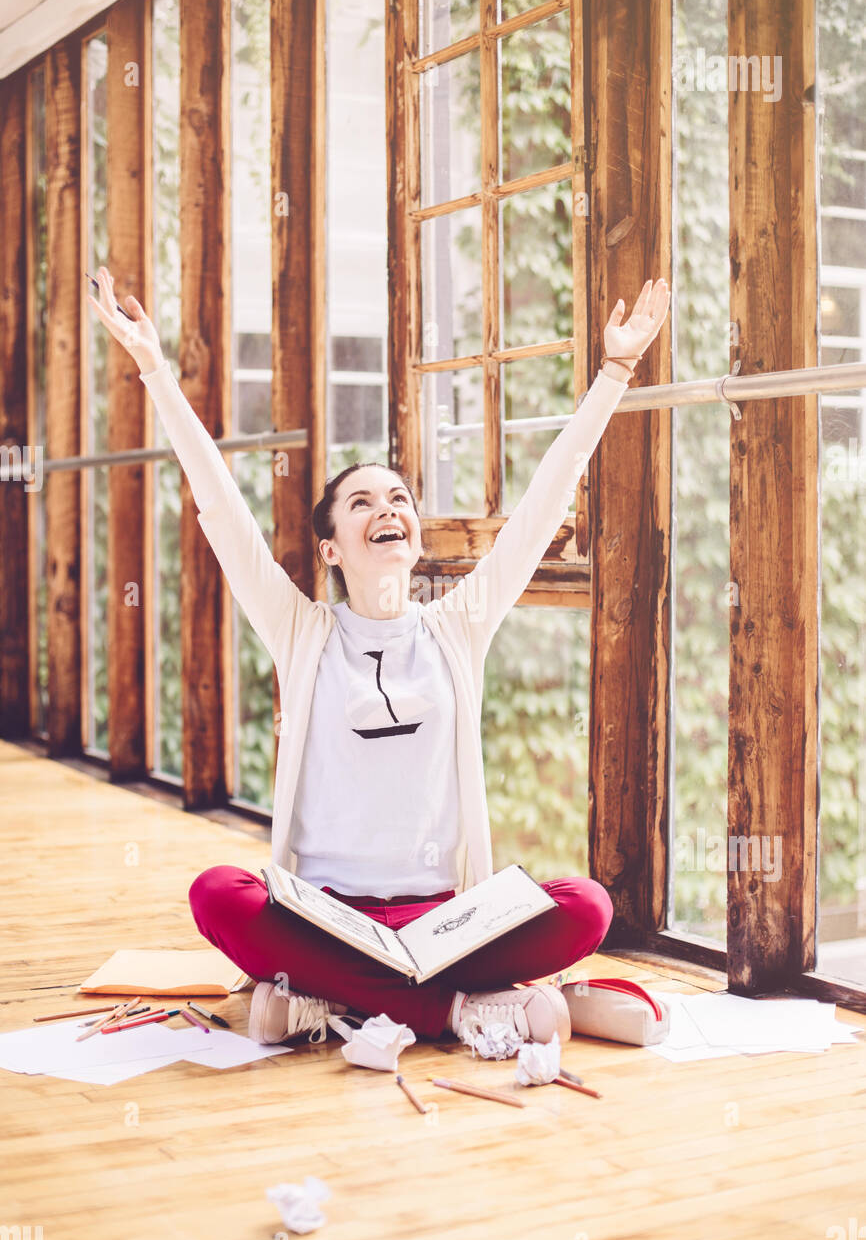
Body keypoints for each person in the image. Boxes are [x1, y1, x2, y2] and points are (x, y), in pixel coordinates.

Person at [86, 266, 670, 1050]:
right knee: (218, 893)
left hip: (446, 918)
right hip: (330, 917)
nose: (388, 508)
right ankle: (455, 1011)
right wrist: (155, 368)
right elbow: (220, 506)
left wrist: (616, 371)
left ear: (414, 533)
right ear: (330, 547)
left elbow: (542, 504)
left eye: (398, 498)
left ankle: (333, 1009)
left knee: (586, 904)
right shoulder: (304, 632)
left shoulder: (456, 627)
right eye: (361, 502)